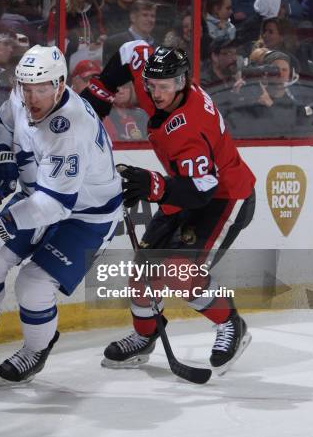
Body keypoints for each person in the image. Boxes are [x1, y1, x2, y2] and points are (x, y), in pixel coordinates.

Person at [0, 45, 122, 386]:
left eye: (41, 88)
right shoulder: (22, 93)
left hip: (85, 216)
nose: (32, 96)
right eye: (26, 88)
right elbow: (1, 121)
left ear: (60, 85)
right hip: (36, 199)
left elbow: (56, 205)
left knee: (33, 285)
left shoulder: (69, 128)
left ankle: (35, 349)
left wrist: (0, 223)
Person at [82, 42, 256, 375]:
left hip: (225, 197)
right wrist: (102, 91)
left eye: (164, 87)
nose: (156, 93)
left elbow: (204, 189)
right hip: (186, 188)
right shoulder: (157, 78)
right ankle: (144, 336)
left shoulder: (191, 125)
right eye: (151, 85)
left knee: (179, 273)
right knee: (141, 276)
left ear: (182, 83)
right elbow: (129, 50)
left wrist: (153, 186)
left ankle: (231, 324)